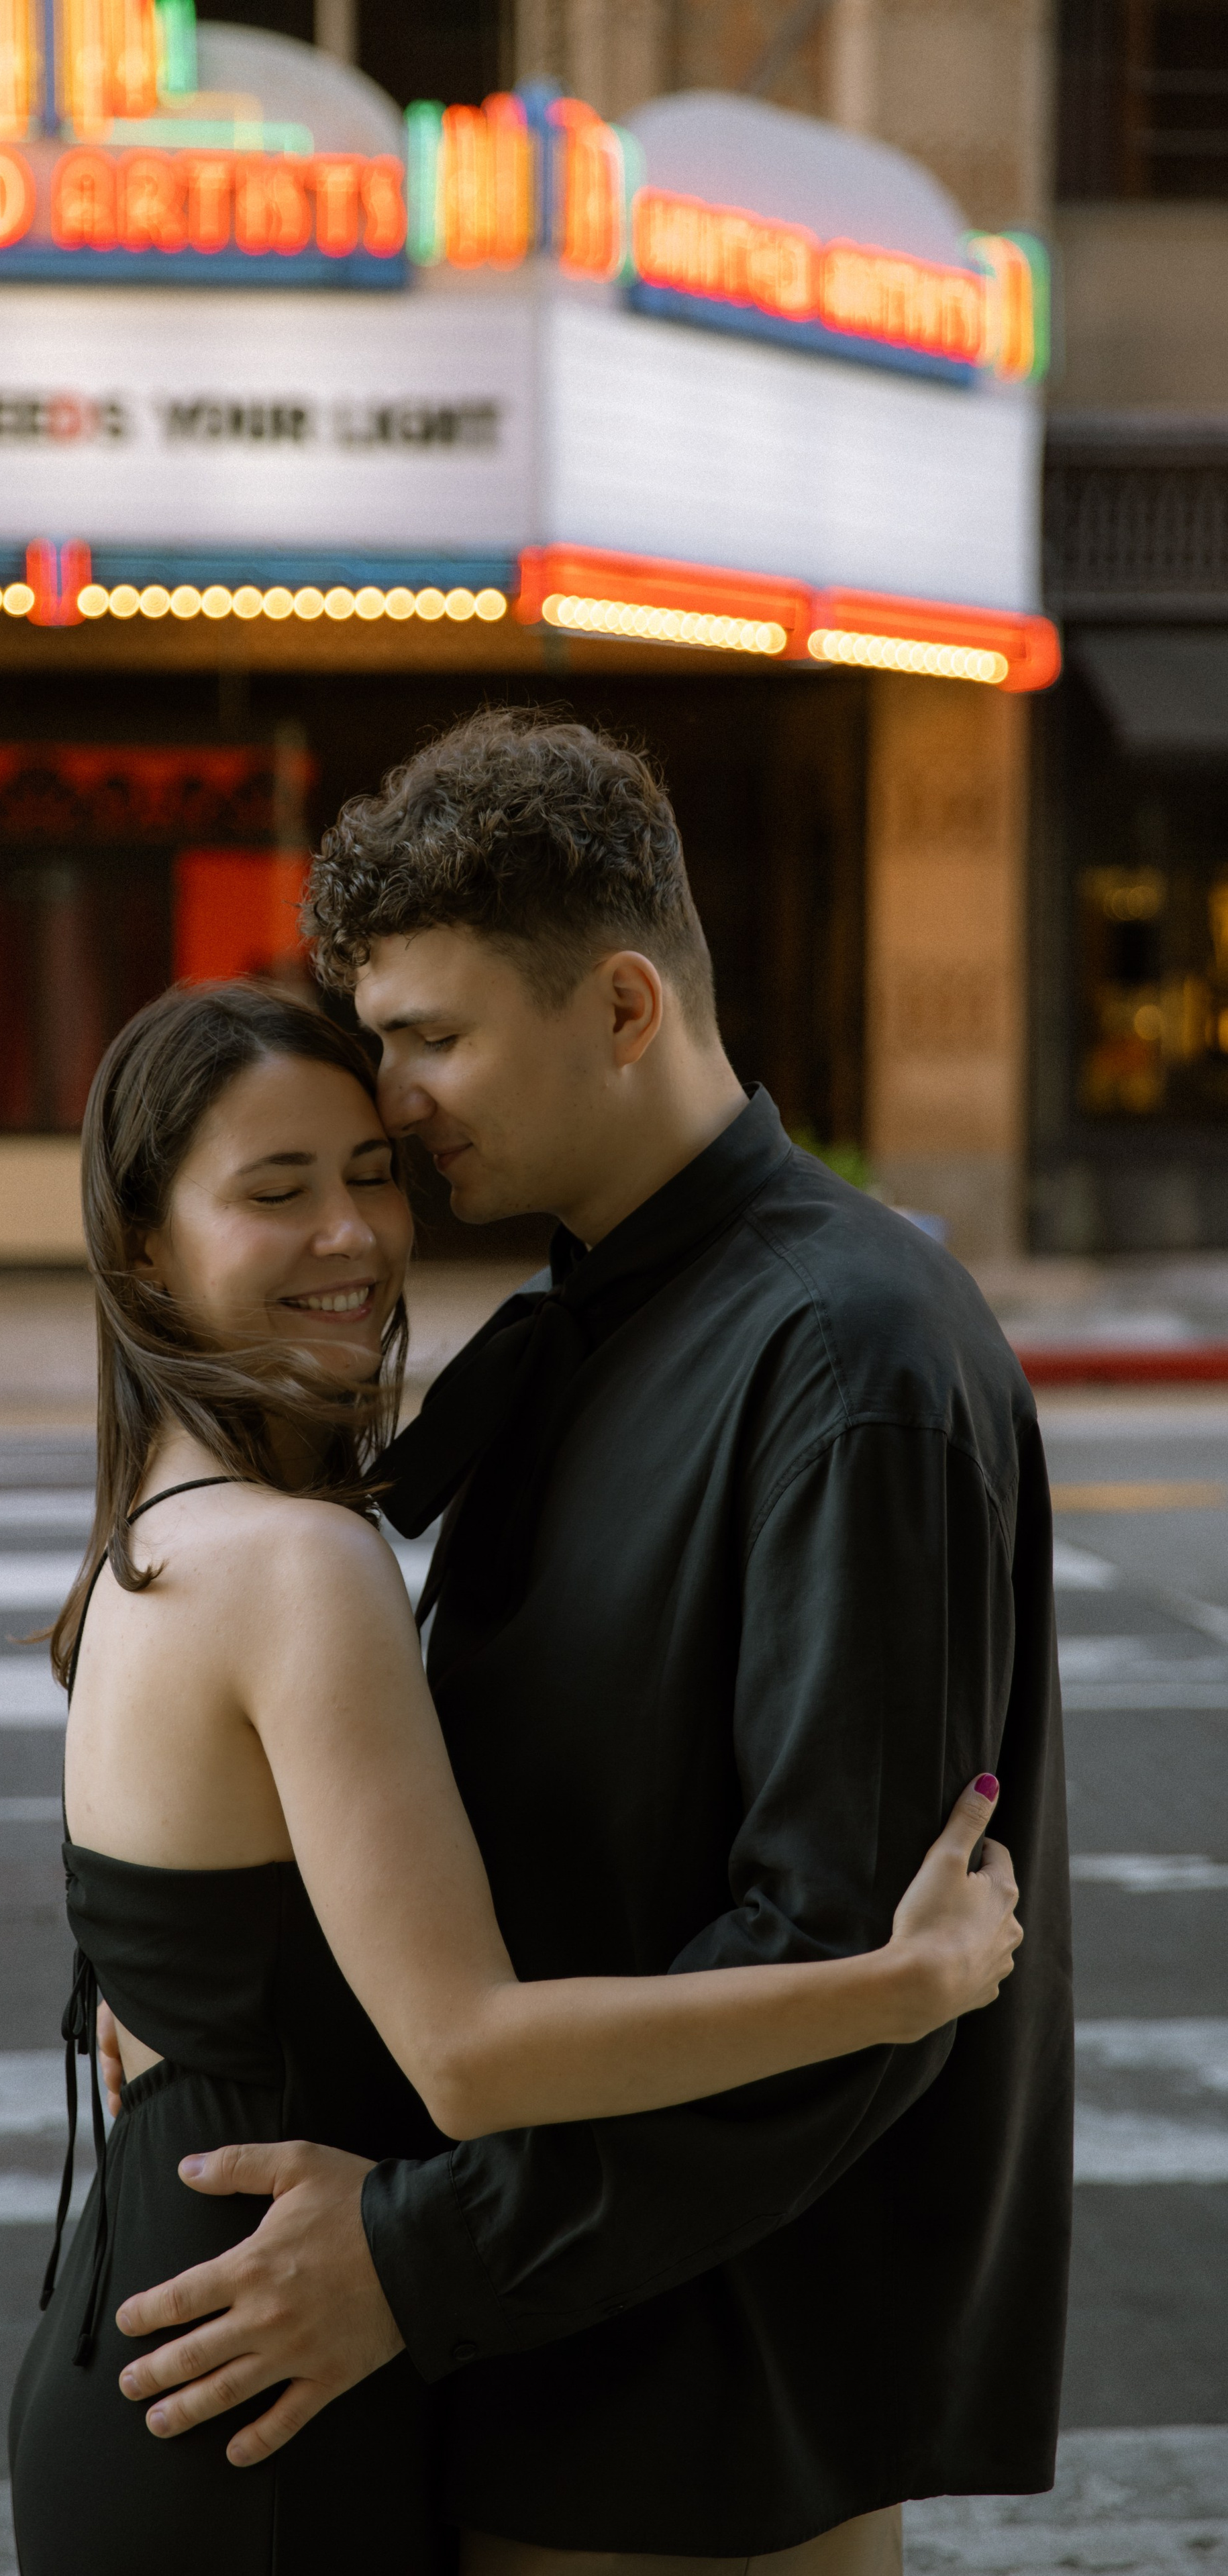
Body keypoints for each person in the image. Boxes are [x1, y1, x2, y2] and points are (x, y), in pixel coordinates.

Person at [104, 713, 1074, 2574]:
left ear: (624, 1008)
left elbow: (855, 1972)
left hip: (702, 2421)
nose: (395, 1103)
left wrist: (414, 2261)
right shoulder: (603, 1308)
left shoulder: (842, 1358)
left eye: (434, 1039)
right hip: (550, 2368)